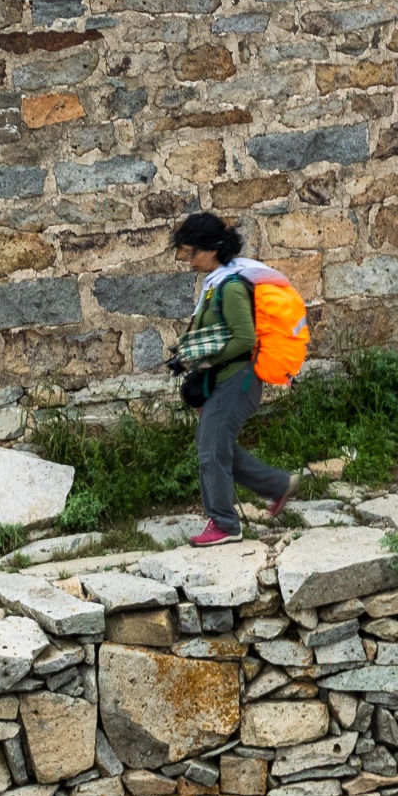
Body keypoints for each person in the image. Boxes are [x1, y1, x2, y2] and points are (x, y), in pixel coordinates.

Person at [169, 212, 294, 547]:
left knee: (211, 451)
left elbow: (244, 340)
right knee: (220, 448)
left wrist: (205, 358)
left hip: (237, 381)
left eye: (192, 252)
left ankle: (225, 524)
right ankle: (278, 485)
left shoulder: (233, 287)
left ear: (212, 249)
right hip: (226, 379)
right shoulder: (215, 285)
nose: (189, 260)